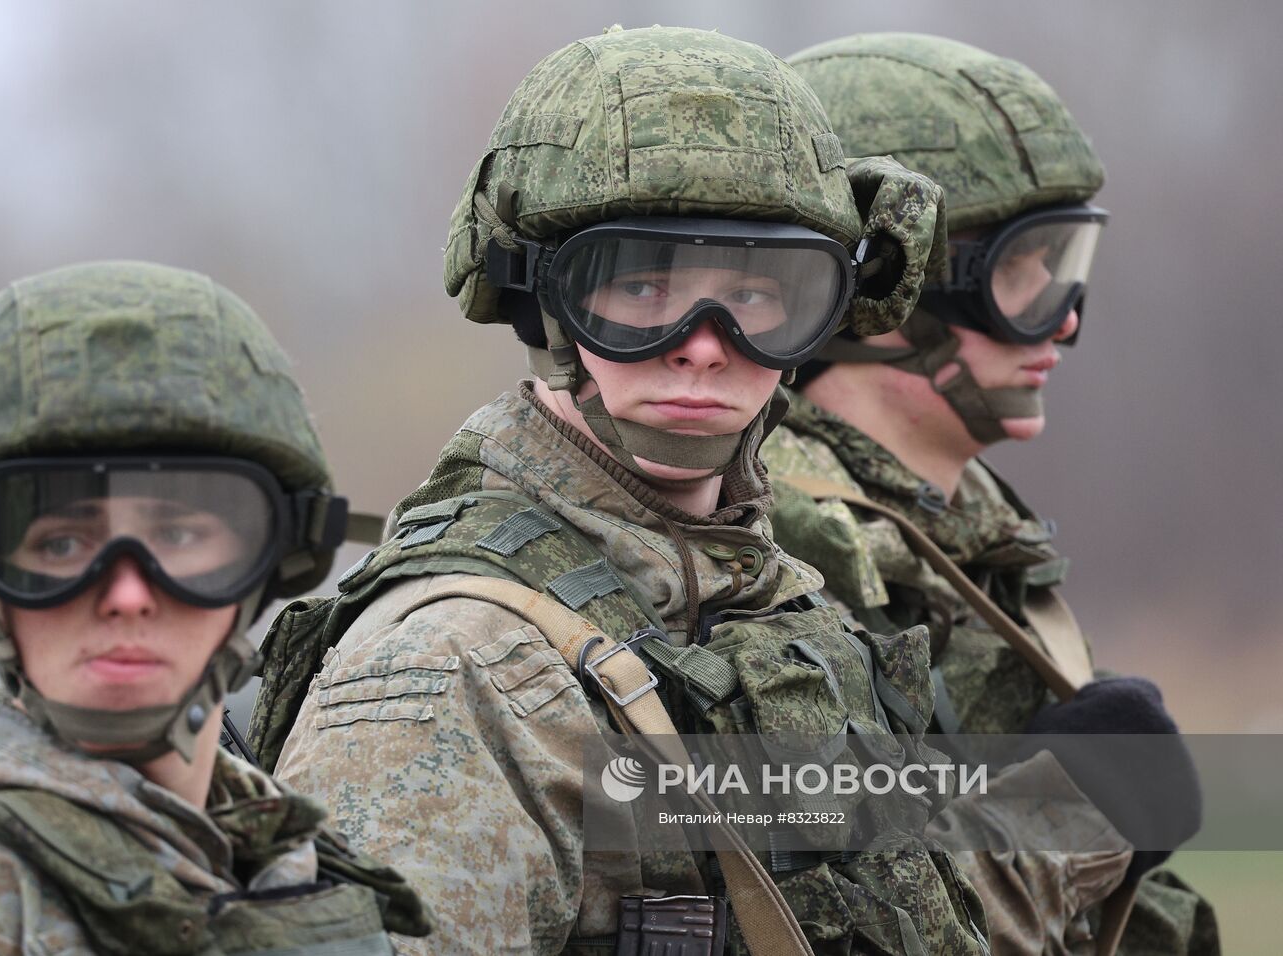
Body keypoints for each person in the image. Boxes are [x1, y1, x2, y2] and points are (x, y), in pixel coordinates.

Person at [257, 25, 996, 956]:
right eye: (644, 287)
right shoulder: (457, 666)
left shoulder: (773, 600)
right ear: (546, 303)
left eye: (759, 295)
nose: (705, 344)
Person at [764, 33, 1216, 955]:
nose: (1064, 317)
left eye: (1064, 263)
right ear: (881, 296)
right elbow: (824, 922)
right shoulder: (780, 555)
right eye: (1018, 271)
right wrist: (1075, 809)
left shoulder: (966, 536)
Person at [0, 260, 430, 955]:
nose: (127, 596)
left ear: (265, 565)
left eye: (178, 537)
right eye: (62, 544)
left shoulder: (291, 864)